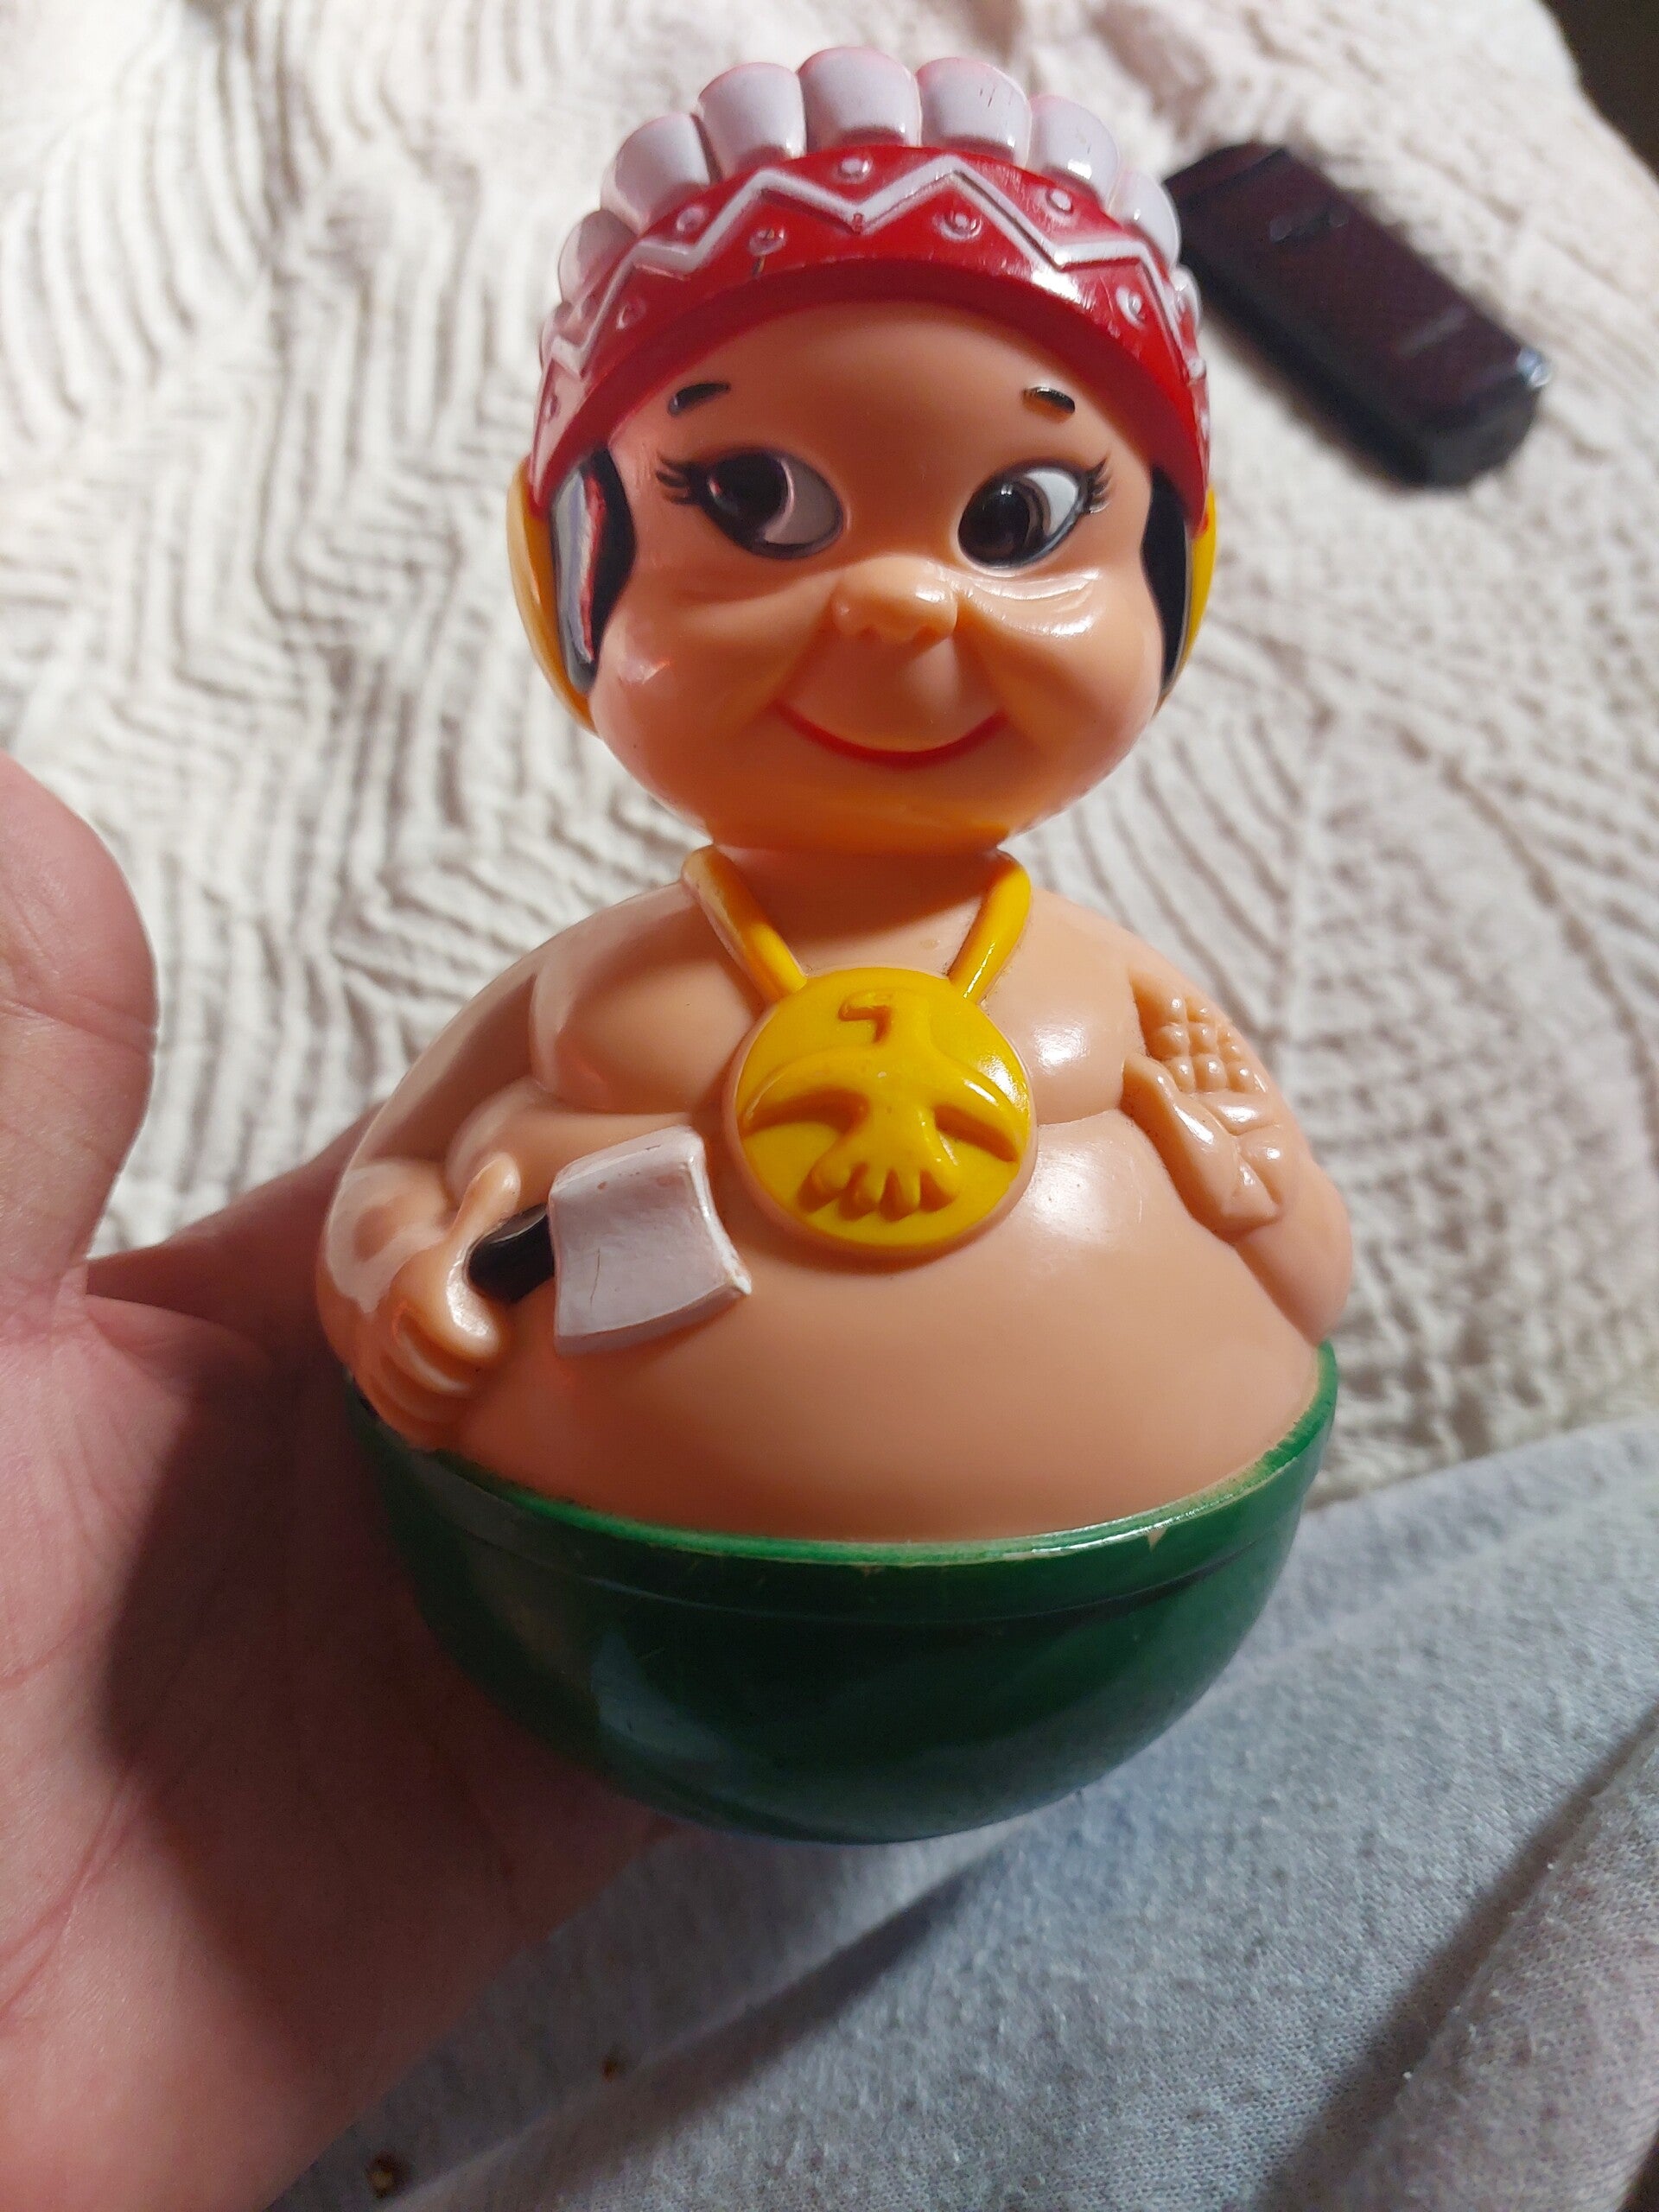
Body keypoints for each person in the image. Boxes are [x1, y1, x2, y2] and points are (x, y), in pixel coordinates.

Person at [0, 751, 658, 2209]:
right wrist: (405, 1281)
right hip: (557, 1585)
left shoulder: (1093, 997)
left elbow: (1258, 1226)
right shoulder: (594, 987)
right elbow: (388, 1194)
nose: (902, 636)